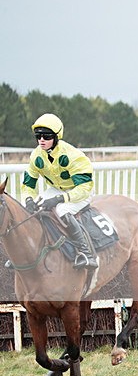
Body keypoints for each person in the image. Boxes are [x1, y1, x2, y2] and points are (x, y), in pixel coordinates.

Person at [21, 113, 97, 268]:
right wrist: (29, 199)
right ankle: (28, 252)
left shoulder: (73, 156)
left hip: (80, 191)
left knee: (61, 210)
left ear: (56, 137)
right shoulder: (36, 155)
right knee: (31, 209)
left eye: (46, 136)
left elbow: (84, 188)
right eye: (38, 136)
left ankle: (86, 254)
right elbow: (28, 184)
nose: (41, 140)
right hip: (56, 189)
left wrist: (59, 199)